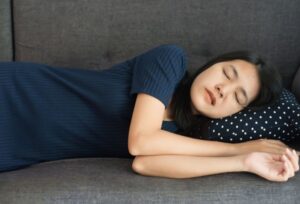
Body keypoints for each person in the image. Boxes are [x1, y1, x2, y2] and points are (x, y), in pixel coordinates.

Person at [0, 44, 298, 182]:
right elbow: (140, 141)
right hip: (13, 93)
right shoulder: (170, 61)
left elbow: (145, 164)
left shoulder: (182, 136)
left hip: (15, 149)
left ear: (236, 112)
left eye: (237, 96)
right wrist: (239, 146)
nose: (223, 89)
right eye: (227, 73)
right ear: (212, 64)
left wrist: (244, 161)